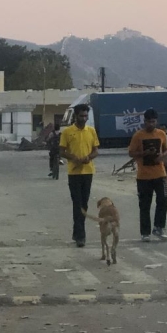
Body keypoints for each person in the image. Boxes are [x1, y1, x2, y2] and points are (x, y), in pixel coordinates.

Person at [59, 105, 99, 247]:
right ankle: (81, 236)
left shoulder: (91, 131)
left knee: (84, 204)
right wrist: (73, 157)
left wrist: (89, 157)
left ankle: (77, 233)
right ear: (75, 116)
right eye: (81, 116)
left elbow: (95, 150)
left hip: (88, 172)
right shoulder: (68, 132)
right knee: (77, 204)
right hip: (74, 172)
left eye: (85, 116)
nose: (83, 118)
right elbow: (62, 151)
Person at [127, 108, 167, 242]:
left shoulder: (161, 134)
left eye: (153, 122)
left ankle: (159, 227)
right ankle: (145, 232)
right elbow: (131, 153)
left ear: (156, 121)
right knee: (145, 204)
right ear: (144, 121)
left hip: (160, 174)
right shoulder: (138, 136)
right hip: (143, 176)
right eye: (149, 122)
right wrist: (144, 153)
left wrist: (161, 156)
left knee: (163, 198)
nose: (151, 124)